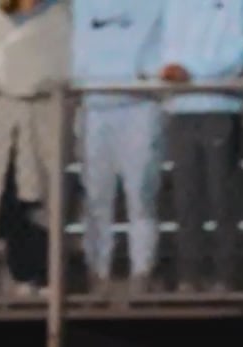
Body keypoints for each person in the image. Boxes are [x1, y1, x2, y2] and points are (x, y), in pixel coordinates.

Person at [0, 0, 70, 297]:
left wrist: (14, 73)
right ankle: (22, 273)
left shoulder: (60, 14)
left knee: (42, 200)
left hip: (44, 121)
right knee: (11, 197)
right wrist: (15, 72)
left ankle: (46, 275)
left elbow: (56, 66)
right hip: (2, 122)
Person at [158, 0, 243, 291]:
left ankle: (226, 275)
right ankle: (189, 275)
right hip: (180, 107)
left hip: (220, 104)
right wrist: (170, 72)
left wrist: (191, 72)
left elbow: (240, 52)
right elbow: (162, 45)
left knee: (222, 195)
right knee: (185, 198)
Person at [72, 0, 167, 292]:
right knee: (96, 197)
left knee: (141, 194)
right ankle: (97, 270)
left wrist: (146, 74)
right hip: (94, 107)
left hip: (140, 105)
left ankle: (142, 270)